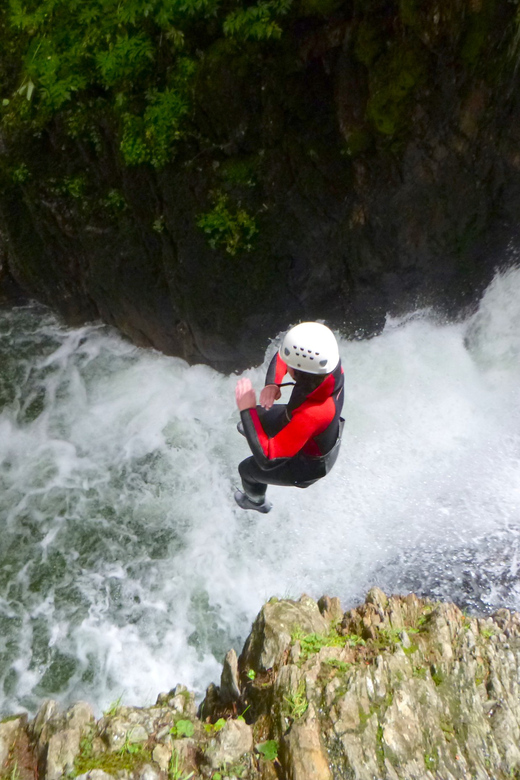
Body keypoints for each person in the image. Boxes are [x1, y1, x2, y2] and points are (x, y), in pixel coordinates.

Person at [234, 321, 344, 513]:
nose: (286, 366)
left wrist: (247, 409)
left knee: (247, 469)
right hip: (300, 423)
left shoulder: (314, 412)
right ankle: (261, 435)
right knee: (250, 423)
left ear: (298, 373)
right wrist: (272, 384)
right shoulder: (328, 367)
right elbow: (284, 358)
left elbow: (267, 460)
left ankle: (256, 501)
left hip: (307, 465)